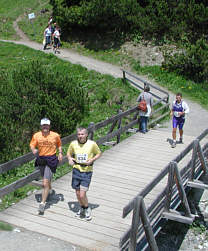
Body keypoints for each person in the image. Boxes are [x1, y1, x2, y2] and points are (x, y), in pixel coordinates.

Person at [67, 127, 101, 221]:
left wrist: (92, 160)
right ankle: (82, 207)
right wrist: (70, 159)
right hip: (76, 170)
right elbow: (69, 153)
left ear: (86, 135)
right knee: (77, 193)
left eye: (82, 134)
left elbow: (98, 153)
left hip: (87, 171)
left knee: (82, 194)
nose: (80, 136)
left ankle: (86, 208)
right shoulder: (73, 144)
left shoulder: (92, 144)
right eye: (78, 134)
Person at [30, 118, 63, 214]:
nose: (45, 127)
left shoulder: (55, 135)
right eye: (43, 125)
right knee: (46, 180)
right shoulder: (36, 135)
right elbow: (32, 144)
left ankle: (42, 204)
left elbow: (59, 144)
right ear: (41, 126)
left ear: (49, 126)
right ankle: (50, 190)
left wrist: (60, 153)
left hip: (51, 159)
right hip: (41, 159)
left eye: (47, 125)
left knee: (45, 183)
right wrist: (33, 150)